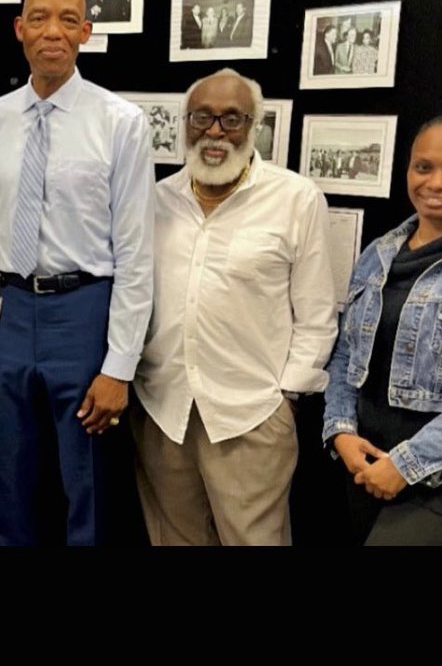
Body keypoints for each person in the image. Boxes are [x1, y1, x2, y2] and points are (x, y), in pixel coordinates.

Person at [0, 0, 154, 546]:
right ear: (19, 28)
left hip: (83, 311)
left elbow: (135, 250)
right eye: (41, 18)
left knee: (89, 484)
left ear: (87, 32)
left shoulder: (120, 122)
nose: (53, 31)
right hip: (8, 311)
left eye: (68, 19)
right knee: (11, 477)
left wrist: (118, 365)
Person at [132, 69, 338, 545]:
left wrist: (285, 398)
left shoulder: (295, 198)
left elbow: (317, 313)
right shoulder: (156, 200)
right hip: (165, 410)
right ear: (185, 123)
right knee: (173, 538)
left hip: (250, 414)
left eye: (232, 119)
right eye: (202, 117)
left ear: (255, 126)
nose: (215, 132)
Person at [322, 113, 442, 545]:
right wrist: (341, 429)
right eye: (423, 167)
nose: (436, 182)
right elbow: (345, 353)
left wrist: (407, 463)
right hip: (368, 463)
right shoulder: (379, 252)